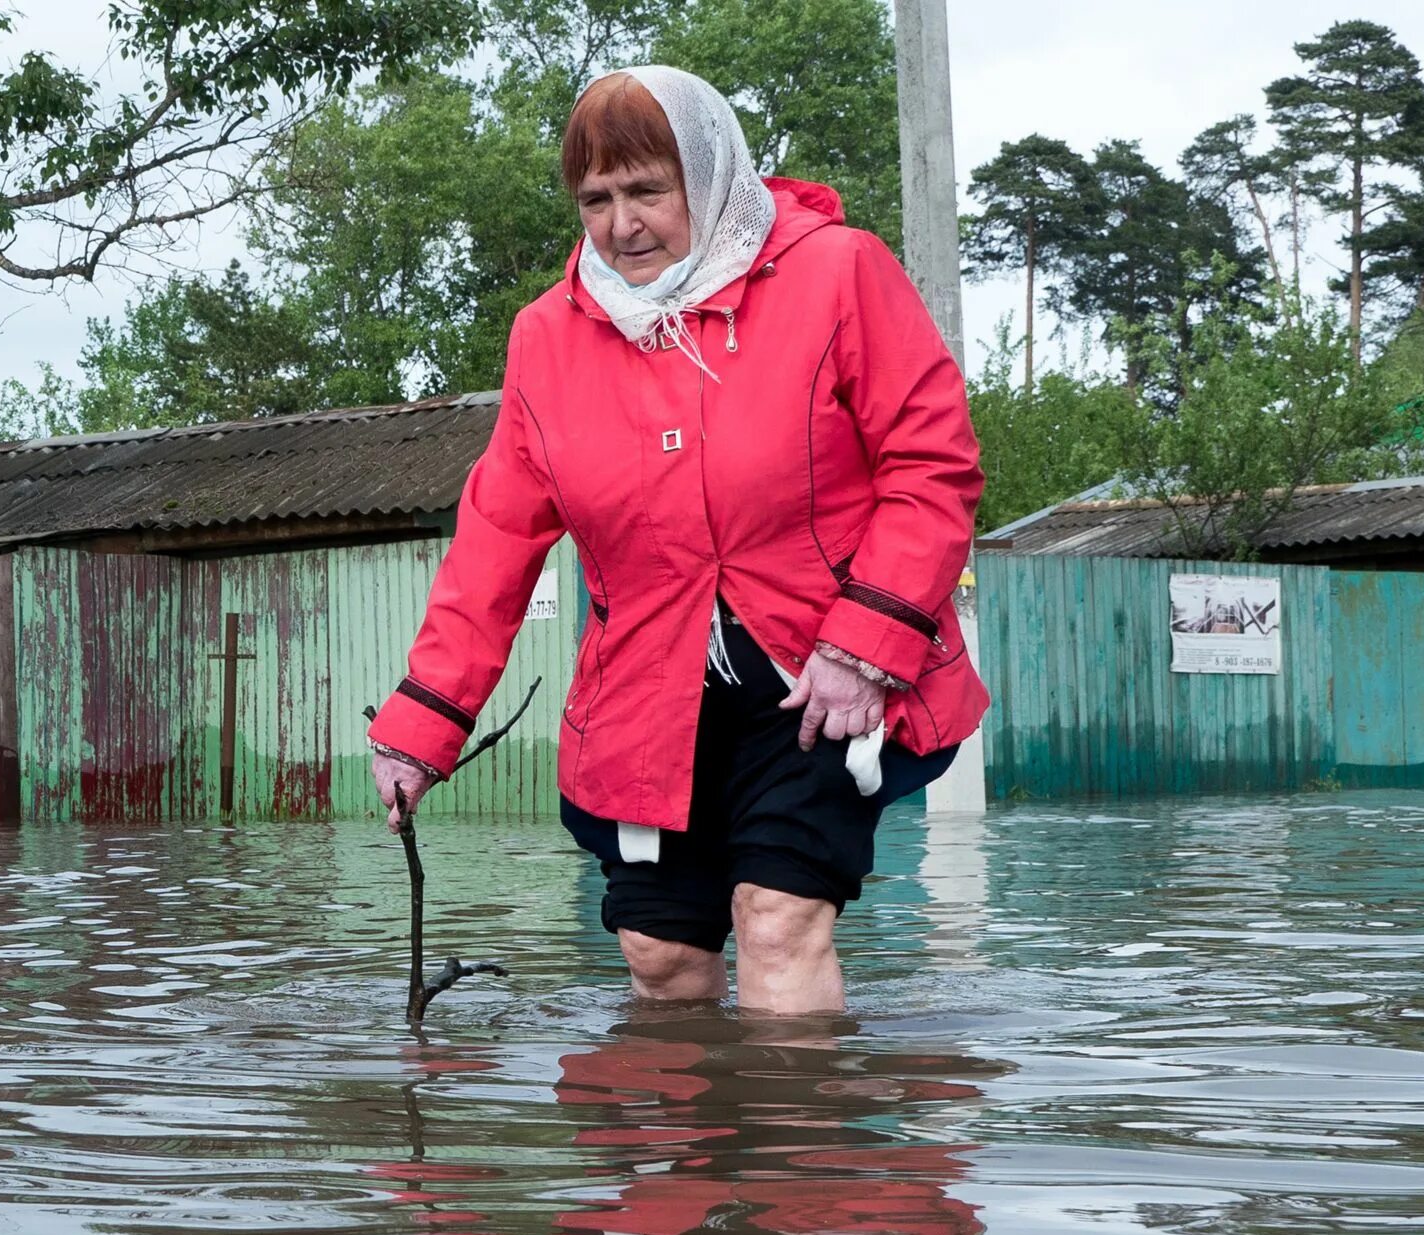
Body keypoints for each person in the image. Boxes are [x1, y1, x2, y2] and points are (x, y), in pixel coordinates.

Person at [366, 66, 988, 1016]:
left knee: (777, 918)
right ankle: (682, 1159)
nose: (624, 224)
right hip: (646, 690)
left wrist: (863, 647)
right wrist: (422, 725)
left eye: (650, 190)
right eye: (597, 200)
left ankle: (795, 1153)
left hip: (813, 678)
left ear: (710, 175)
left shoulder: (839, 272)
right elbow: (495, 537)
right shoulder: (548, 336)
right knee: (659, 953)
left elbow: (932, 463)